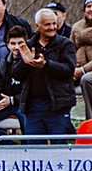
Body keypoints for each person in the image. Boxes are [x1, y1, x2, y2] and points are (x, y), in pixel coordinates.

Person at [11, 7, 76, 139]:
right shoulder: (27, 46)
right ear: (37, 26)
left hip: (58, 105)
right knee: (35, 146)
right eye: (47, 24)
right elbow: (15, 74)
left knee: (58, 146)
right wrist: (26, 62)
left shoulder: (65, 44)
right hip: (33, 107)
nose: (52, 27)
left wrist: (46, 65)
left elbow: (69, 70)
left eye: (54, 24)